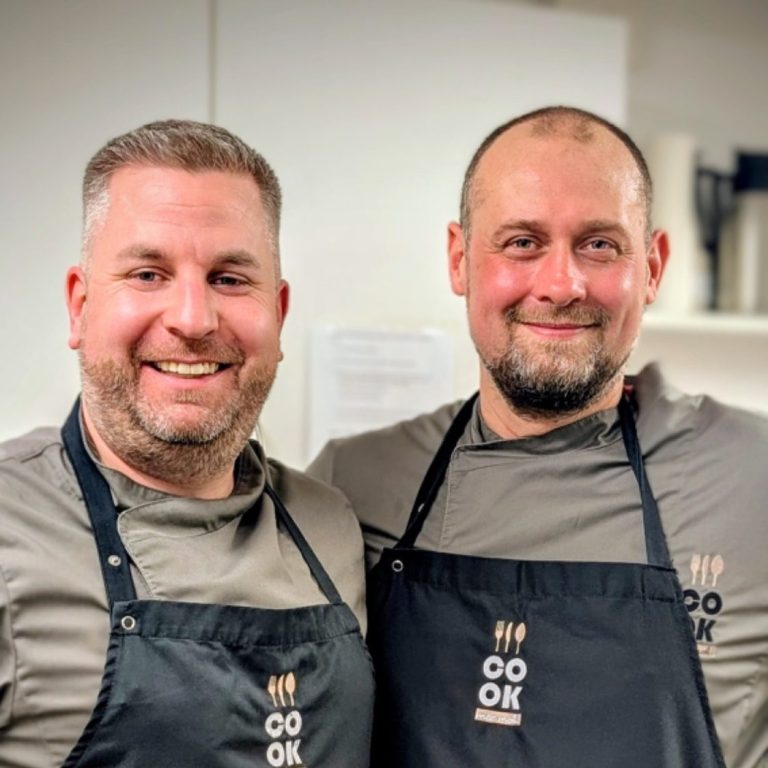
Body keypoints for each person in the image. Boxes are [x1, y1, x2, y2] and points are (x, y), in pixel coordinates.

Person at [308, 106, 768, 767]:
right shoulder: (350, 485)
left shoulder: (752, 478)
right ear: (460, 260)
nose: (560, 285)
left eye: (599, 245)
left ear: (653, 266)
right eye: (522, 242)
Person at [0, 119, 373, 767]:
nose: (193, 320)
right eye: (148, 274)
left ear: (279, 313)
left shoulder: (332, 524)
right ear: (79, 306)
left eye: (229, 278)